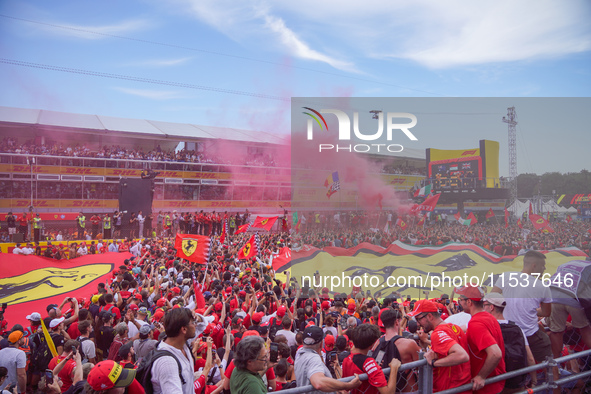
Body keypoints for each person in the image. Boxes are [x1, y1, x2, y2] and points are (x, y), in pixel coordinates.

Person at [491, 250, 553, 364]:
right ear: (534, 266)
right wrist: (532, 310)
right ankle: (554, 380)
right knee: (549, 363)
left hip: (507, 333)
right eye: (543, 266)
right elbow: (546, 312)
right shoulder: (543, 286)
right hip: (531, 334)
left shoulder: (506, 276)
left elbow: (491, 298)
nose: (544, 269)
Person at [407, 300, 471, 393]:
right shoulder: (455, 327)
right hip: (463, 387)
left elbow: (462, 355)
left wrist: (433, 363)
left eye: (418, 319)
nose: (417, 324)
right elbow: (447, 347)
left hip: (448, 389)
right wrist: (426, 342)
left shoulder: (437, 333)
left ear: (429, 316)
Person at [455, 285, 505, 394]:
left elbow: (496, 353)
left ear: (469, 302)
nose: (459, 303)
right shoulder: (488, 316)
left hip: (487, 387)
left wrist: (481, 376)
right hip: (496, 381)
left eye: (461, 300)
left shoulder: (476, 324)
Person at [483, 292, 536, 393]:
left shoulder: (486, 328)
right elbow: (530, 358)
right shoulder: (517, 328)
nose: (482, 308)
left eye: (484, 305)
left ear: (491, 307)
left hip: (494, 381)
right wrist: (534, 379)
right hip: (516, 381)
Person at [150, 308, 208, 394]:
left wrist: (196, 317)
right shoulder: (167, 363)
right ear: (184, 329)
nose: (196, 325)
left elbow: (203, 325)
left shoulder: (182, 343)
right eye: (193, 323)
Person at [294, 325, 361, 393]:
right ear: (321, 344)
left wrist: (337, 389)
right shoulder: (313, 358)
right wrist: (348, 385)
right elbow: (318, 383)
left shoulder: (300, 353)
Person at [342, 323, 401, 394]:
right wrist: (394, 368)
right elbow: (388, 393)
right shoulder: (368, 362)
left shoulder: (346, 359)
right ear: (372, 344)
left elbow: (346, 387)